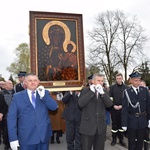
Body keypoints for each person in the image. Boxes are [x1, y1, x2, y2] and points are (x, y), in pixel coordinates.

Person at [7, 73, 58, 150]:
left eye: (35, 80)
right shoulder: (17, 97)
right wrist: (13, 138)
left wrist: (44, 96)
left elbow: (54, 107)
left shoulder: (44, 93)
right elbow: (11, 118)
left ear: (38, 82)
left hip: (43, 136)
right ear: (25, 83)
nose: (33, 82)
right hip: (26, 138)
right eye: (30, 80)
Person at [78, 73, 113, 150]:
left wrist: (102, 94)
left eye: (102, 81)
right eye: (98, 80)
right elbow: (80, 104)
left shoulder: (104, 92)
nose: (100, 83)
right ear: (93, 81)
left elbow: (109, 104)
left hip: (100, 128)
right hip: (87, 127)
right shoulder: (85, 91)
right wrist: (92, 92)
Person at [121, 71, 150, 150]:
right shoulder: (127, 92)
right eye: (135, 80)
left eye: (139, 80)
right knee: (132, 142)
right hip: (132, 120)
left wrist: (149, 119)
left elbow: (148, 106)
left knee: (140, 142)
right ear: (131, 80)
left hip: (142, 120)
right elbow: (124, 109)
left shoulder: (144, 90)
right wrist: (124, 123)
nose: (137, 82)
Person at [109, 73, 128, 146]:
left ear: (122, 78)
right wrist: (113, 105)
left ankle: (121, 140)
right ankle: (114, 139)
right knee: (114, 126)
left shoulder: (126, 88)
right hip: (114, 110)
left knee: (121, 126)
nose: (118, 80)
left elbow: (127, 100)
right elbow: (110, 98)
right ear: (115, 79)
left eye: (120, 78)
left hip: (122, 110)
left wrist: (122, 106)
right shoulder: (112, 87)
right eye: (117, 78)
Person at [0, 80, 15, 150]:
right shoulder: (1, 93)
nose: (11, 84)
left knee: (14, 131)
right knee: (6, 132)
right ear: (5, 86)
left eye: (12, 83)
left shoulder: (15, 93)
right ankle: (7, 145)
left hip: (15, 116)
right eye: (9, 84)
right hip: (6, 116)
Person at [139, 80, 150, 150]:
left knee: (146, 134)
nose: (141, 87)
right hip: (139, 118)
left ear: (145, 86)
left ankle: (146, 147)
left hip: (146, 117)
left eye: (142, 85)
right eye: (140, 85)